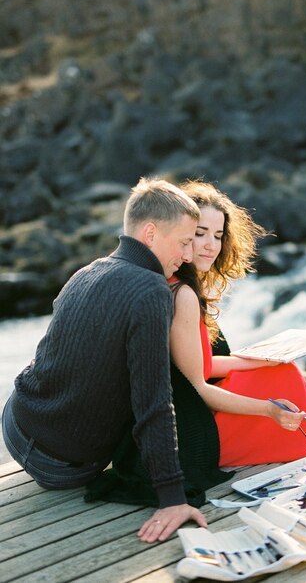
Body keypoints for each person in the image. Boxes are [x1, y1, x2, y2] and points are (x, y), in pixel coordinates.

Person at [1, 177, 208, 544]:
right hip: (60, 468)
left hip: (17, 424)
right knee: (168, 381)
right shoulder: (151, 289)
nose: (188, 255)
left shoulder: (88, 270)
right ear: (150, 233)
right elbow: (154, 402)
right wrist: (172, 498)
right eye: (184, 242)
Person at [168, 180, 306, 467]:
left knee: (281, 370)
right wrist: (269, 409)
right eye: (200, 233)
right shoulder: (182, 294)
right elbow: (196, 387)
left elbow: (199, 366)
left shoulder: (182, 285)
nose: (211, 245)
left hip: (189, 412)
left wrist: (262, 360)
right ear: (179, 233)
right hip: (190, 436)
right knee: (284, 382)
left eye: (218, 235)